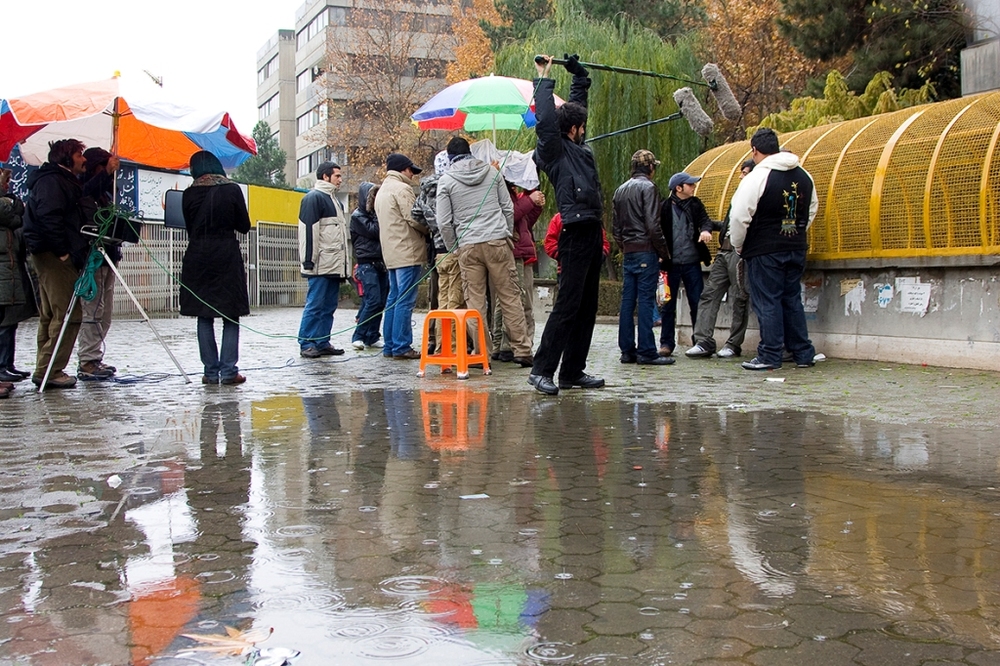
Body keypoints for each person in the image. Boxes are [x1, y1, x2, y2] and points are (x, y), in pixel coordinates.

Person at [527, 54, 606, 396]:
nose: (584, 129)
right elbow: (546, 118)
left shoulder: (579, 148)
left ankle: (573, 371)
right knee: (567, 305)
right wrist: (543, 79)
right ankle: (542, 370)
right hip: (574, 231)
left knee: (586, 307)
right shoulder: (554, 149)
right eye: (580, 127)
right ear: (571, 131)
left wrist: (579, 75)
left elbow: (577, 108)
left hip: (591, 229)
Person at [436, 136, 533, 367]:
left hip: (468, 246)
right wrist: (506, 234)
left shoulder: (447, 181)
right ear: (470, 152)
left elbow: (444, 222)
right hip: (497, 241)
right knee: (510, 296)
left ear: (450, 158)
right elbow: (507, 208)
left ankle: (482, 353)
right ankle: (522, 349)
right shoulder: (492, 173)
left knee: (475, 301)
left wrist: (454, 246)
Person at [729, 127, 818, 370]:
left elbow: (739, 216)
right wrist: (796, 230)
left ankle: (770, 354)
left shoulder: (757, 177)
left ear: (755, 150)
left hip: (764, 248)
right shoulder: (804, 175)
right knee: (792, 300)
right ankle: (803, 353)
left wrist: (739, 244)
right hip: (796, 244)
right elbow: (811, 209)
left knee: (767, 301)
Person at [23, 138, 91, 389]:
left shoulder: (58, 180)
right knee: (68, 313)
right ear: (66, 157)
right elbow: (49, 216)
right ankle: (50, 370)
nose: (83, 159)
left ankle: (45, 367)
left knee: (51, 314)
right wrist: (63, 252)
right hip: (53, 254)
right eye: (79, 154)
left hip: (48, 252)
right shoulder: (53, 182)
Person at [179, 151, 251, 385]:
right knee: (230, 314)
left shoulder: (189, 193)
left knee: (204, 313)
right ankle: (229, 371)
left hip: (197, 256)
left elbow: (190, 229)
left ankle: (210, 372)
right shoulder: (232, 190)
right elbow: (244, 225)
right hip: (225, 255)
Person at [685, 159, 755, 359]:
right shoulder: (739, 194)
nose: (741, 176)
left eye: (745, 172)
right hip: (723, 252)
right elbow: (730, 223)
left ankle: (733, 344)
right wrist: (707, 225)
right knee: (709, 294)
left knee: (740, 297)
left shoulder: (756, 195)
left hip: (739, 251)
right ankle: (703, 341)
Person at [612, 149, 673, 366]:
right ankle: (647, 350)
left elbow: (616, 229)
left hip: (629, 250)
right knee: (646, 301)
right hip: (646, 249)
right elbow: (653, 224)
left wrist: (626, 246)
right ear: (649, 168)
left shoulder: (620, 190)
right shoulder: (649, 188)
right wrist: (663, 252)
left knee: (628, 301)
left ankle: (627, 350)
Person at [374, 153, 428, 360]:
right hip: (408, 251)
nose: (413, 175)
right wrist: (429, 230)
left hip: (391, 252)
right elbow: (414, 218)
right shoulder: (402, 189)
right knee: (405, 301)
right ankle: (402, 346)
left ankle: (390, 345)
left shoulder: (382, 190)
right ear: (403, 170)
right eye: (411, 171)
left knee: (393, 299)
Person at [75, 147, 121, 380]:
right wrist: (105, 173)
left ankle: (95, 357)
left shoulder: (106, 192)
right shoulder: (83, 188)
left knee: (105, 312)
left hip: (109, 257)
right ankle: (87, 359)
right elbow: (85, 191)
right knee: (92, 310)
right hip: (91, 258)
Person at [412, 151, 464, 355]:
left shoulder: (425, 189)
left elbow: (415, 213)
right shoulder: (453, 184)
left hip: (438, 249)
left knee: (442, 300)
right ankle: (453, 347)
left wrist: (433, 227)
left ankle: (441, 344)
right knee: (456, 299)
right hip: (455, 246)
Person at [658, 171, 714, 357]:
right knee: (667, 304)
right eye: (690, 184)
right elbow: (657, 231)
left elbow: (706, 220)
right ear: (678, 188)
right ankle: (666, 343)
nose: (693, 186)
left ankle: (699, 341)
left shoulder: (695, 204)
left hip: (691, 263)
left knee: (697, 302)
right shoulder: (664, 207)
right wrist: (659, 254)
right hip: (670, 264)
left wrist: (706, 230)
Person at [297, 161, 349, 358]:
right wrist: (308, 260)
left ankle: (322, 340)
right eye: (337, 176)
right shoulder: (313, 198)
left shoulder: (335, 200)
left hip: (333, 265)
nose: (340, 180)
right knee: (315, 304)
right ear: (325, 177)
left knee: (328, 306)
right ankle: (307, 342)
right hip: (320, 265)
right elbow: (309, 231)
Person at [491, 183, 544, 362]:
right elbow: (510, 214)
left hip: (513, 249)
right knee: (515, 298)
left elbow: (524, 222)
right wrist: (530, 200)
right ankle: (511, 346)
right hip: (513, 251)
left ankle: (499, 344)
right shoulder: (502, 190)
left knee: (504, 299)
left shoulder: (511, 192)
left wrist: (534, 204)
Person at [0, 168, 35, 390]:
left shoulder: (8, 200)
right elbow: (9, 213)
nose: (7, 182)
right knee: (3, 322)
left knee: (10, 319)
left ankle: (6, 364)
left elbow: (18, 211)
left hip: (11, 266)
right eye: (4, 179)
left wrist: (12, 204)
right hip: (4, 266)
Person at [350, 181, 388, 350]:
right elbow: (375, 231)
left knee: (380, 302)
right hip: (366, 264)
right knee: (372, 300)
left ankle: (372, 336)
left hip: (379, 262)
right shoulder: (358, 216)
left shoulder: (372, 215)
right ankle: (358, 335)